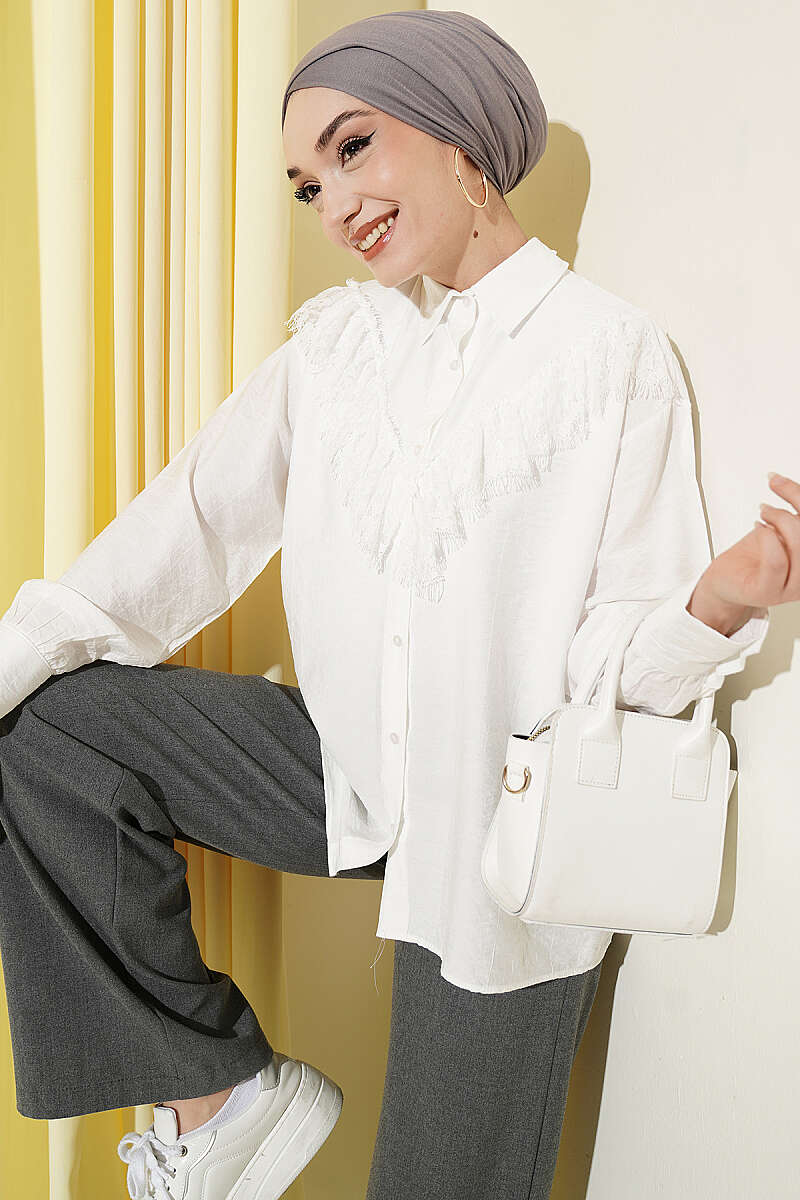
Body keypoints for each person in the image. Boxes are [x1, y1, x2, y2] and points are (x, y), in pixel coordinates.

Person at [0, 9, 793, 1200]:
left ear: (458, 135)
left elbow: (612, 661)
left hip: (503, 820)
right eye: (307, 186)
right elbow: (185, 528)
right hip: (341, 772)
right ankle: (217, 1092)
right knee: (46, 729)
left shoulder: (605, 354)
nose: (333, 204)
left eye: (352, 147)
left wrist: (717, 604)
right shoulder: (334, 348)